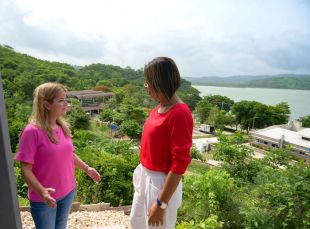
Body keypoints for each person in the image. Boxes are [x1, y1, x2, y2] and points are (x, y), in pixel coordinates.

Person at [15, 82, 101, 229]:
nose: (66, 104)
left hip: (68, 191)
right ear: (46, 104)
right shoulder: (32, 132)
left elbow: (69, 155)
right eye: (60, 100)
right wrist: (42, 191)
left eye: (65, 99)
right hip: (44, 198)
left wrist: (87, 168)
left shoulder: (62, 127)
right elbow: (25, 170)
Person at [130, 57, 193, 228]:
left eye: (148, 81)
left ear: (160, 83)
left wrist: (161, 203)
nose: (145, 86)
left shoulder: (180, 113)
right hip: (145, 176)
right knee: (137, 223)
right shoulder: (159, 107)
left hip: (160, 185)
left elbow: (180, 163)